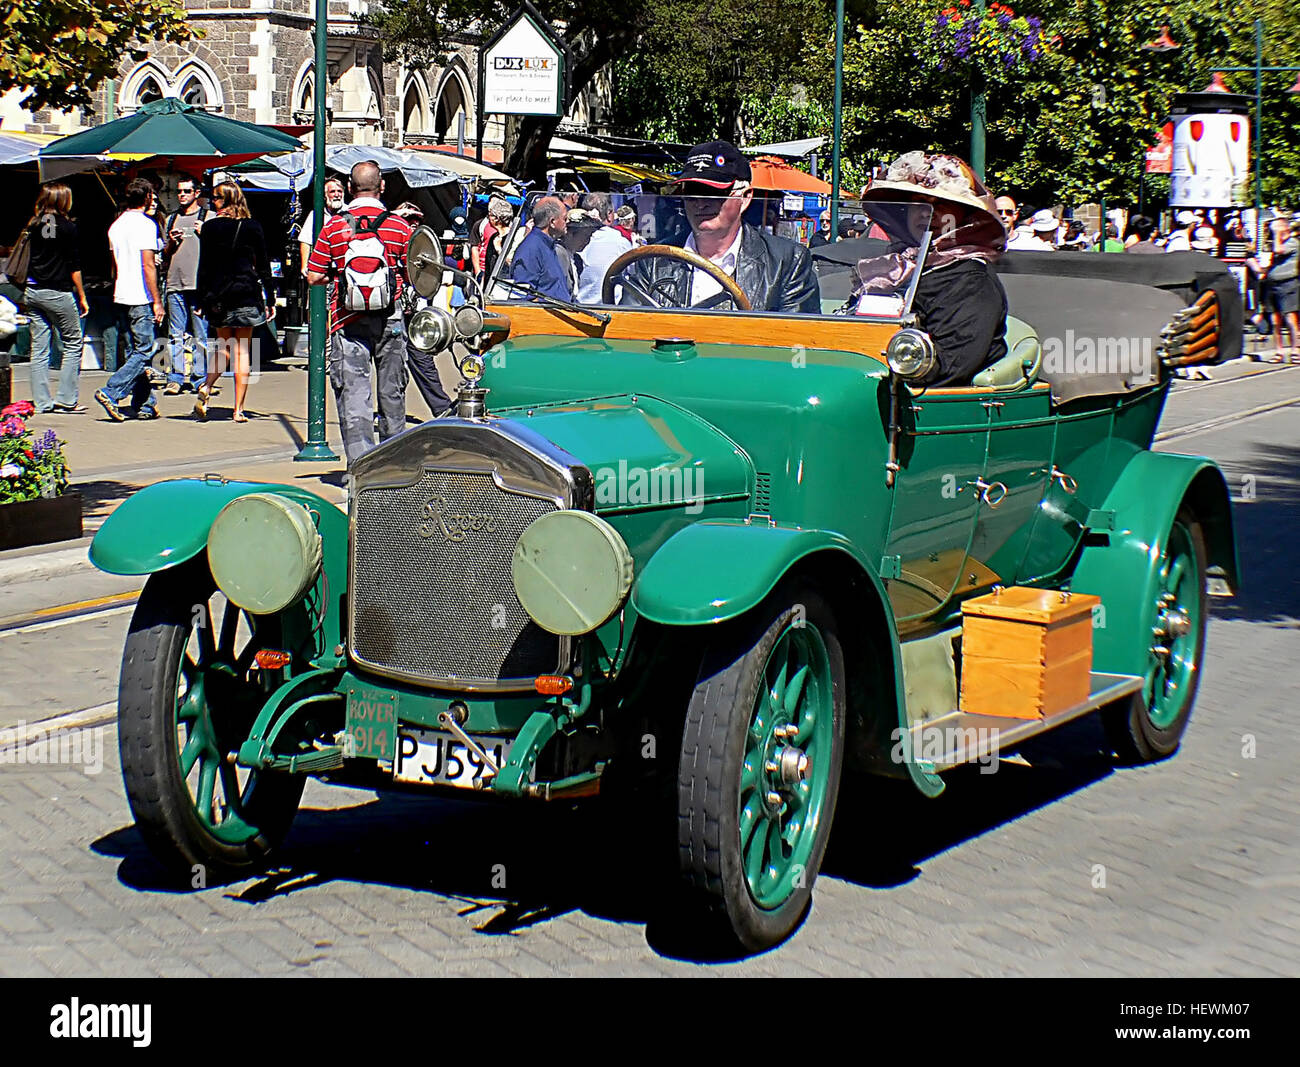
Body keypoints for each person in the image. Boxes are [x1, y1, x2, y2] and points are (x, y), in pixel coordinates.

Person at [858, 150, 1009, 386]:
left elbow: (949, 368)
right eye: (918, 204)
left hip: (934, 408)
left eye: (942, 205)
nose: (926, 214)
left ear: (964, 216)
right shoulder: (897, 267)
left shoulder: (971, 280)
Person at [620, 140, 820, 313]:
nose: (700, 203)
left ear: (745, 198)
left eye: (713, 193)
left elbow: (797, 344)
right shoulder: (652, 261)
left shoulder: (787, 262)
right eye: (691, 192)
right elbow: (627, 331)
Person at [306, 160, 414, 465]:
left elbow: (313, 275)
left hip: (347, 320)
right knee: (392, 395)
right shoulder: (399, 227)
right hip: (390, 321)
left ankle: (361, 469)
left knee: (354, 398)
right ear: (382, 187)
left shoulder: (334, 226)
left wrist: (340, 277)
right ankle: (393, 468)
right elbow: (411, 274)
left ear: (350, 189)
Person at [193, 182, 275, 423]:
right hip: (246, 293)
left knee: (223, 346)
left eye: (215, 198)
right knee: (242, 351)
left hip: (219, 295)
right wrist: (269, 296)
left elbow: (204, 266)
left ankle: (207, 385)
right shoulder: (252, 226)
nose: (212, 202)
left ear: (223, 201)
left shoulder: (209, 228)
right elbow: (263, 265)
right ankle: (238, 409)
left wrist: (201, 297)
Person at [95, 178, 164, 422]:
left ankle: (145, 403)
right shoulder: (146, 225)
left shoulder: (116, 225)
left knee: (136, 351)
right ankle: (111, 391)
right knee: (145, 351)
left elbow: (116, 264)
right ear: (146, 197)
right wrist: (157, 300)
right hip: (140, 295)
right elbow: (148, 265)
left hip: (121, 293)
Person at [22, 182, 89, 414]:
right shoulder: (67, 227)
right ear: (64, 201)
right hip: (57, 291)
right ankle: (66, 399)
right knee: (72, 343)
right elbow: (74, 265)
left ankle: (42, 401)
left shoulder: (34, 224)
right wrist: (81, 295)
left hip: (33, 290)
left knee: (39, 348)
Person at [391, 201, 452, 418]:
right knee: (392, 365)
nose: (412, 226)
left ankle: (441, 407)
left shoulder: (422, 247)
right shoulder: (391, 237)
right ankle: (392, 412)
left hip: (416, 311)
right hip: (392, 309)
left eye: (416, 222)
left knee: (421, 358)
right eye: (408, 221)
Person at [161, 176, 214, 395]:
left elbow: (217, 250)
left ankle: (200, 378)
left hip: (198, 284)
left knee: (201, 334)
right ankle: (174, 377)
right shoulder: (171, 219)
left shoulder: (208, 217)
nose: (181, 195)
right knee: (175, 334)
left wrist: (206, 234)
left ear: (196, 193)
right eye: (179, 192)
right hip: (175, 283)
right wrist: (172, 242)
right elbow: (165, 254)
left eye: (186, 191)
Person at [574, 192, 633, 303]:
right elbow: (633, 271)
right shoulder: (621, 242)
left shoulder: (573, 239)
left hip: (578, 306)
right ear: (609, 215)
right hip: (610, 309)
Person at [510, 196, 571, 301]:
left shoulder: (548, 245)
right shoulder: (530, 250)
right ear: (552, 222)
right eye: (565, 219)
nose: (568, 222)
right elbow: (523, 298)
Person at [1261, 215, 1298, 363]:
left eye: (1276, 228)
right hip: (1273, 284)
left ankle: (1295, 350)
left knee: (1290, 318)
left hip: (1288, 283)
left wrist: (1277, 234)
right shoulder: (1275, 242)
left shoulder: (1292, 243)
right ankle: (1279, 351)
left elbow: (1279, 250)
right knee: (1275, 320)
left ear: (1285, 228)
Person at [298, 175, 347, 270]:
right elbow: (305, 240)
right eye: (332, 192)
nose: (337, 195)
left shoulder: (351, 213)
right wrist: (304, 265)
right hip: (322, 267)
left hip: (345, 267)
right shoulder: (315, 215)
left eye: (339, 191)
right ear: (325, 196)